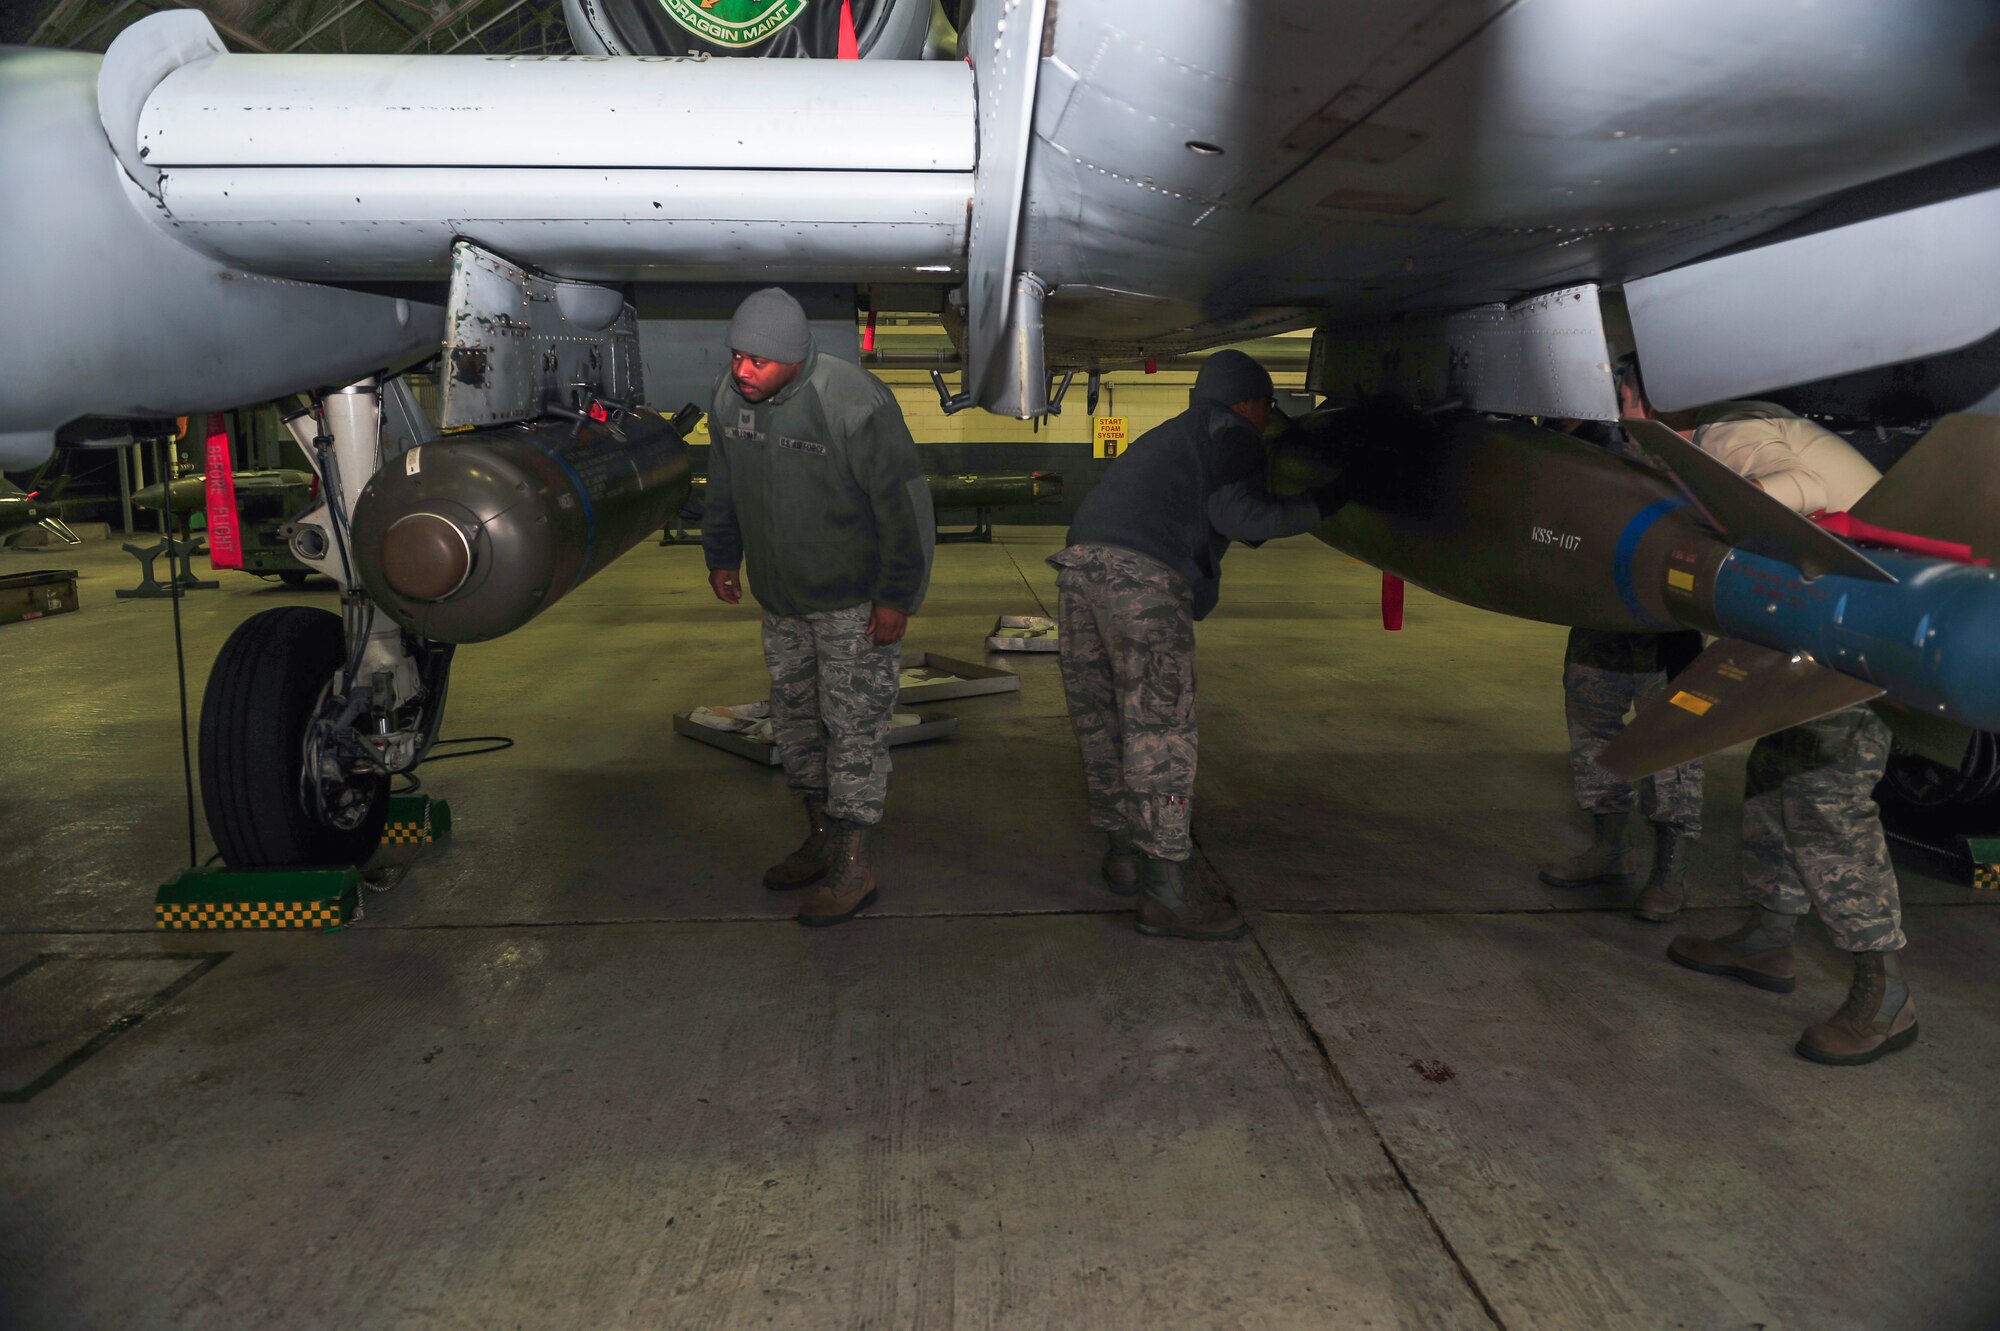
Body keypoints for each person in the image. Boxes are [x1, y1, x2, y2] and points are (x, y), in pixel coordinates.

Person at [1622, 360, 1915, 1065]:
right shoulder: (1723, 427)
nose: (1619, 410)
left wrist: (1741, 504)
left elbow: (1803, 491)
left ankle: (1886, 998)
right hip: (1827, 616)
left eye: (1623, 394)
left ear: (1656, 398)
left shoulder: (1728, 433)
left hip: (1868, 624)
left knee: (1826, 799)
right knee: (1776, 768)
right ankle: (1770, 936)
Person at [1049, 350, 1342, 941]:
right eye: (1267, 406)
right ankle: (1165, 898)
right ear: (1247, 402)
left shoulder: (1176, 434)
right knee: (1160, 734)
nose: (1268, 417)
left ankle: (1123, 856)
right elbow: (1242, 515)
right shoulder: (1234, 435)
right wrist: (1324, 504)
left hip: (1080, 569)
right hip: (1142, 579)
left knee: (1102, 723)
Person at [701, 287, 933, 927]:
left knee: (854, 730)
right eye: (737, 356)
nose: (742, 371)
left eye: (758, 361)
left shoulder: (852, 402)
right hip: (782, 601)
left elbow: (903, 507)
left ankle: (855, 864)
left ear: (795, 358)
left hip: (851, 605)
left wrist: (896, 597)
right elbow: (724, 483)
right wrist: (722, 555)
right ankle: (821, 837)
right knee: (797, 724)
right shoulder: (729, 398)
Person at [1537, 411, 1706, 921]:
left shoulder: (1643, 447)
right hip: (1598, 619)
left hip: (1664, 628)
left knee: (1672, 746)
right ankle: (1610, 849)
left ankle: (1670, 874)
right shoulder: (1557, 447)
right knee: (1592, 733)